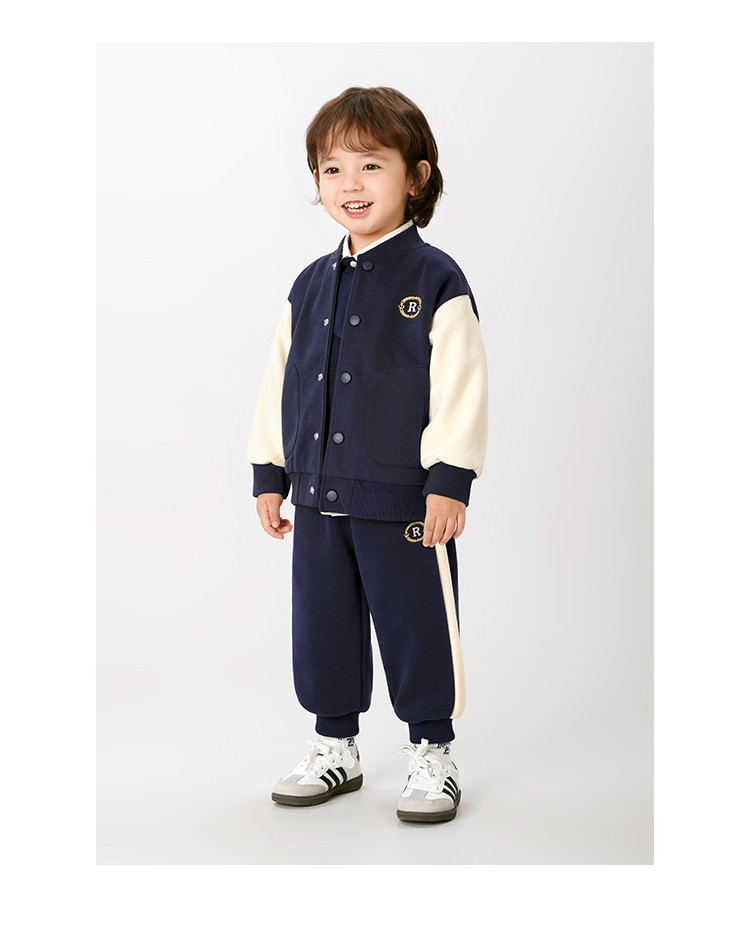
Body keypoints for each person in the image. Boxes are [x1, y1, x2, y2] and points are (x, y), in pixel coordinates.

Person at [246, 86, 489, 823]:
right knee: (322, 625)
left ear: (416, 176)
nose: (349, 184)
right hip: (319, 497)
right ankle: (336, 746)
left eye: (371, 165)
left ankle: (432, 751)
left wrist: (449, 479)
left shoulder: (435, 279)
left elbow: (460, 383)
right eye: (332, 169)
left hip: (404, 499)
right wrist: (270, 473)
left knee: (418, 624)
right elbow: (281, 380)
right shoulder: (309, 285)